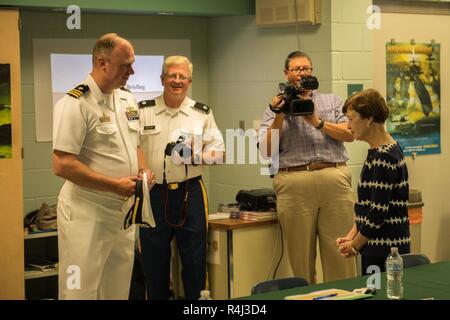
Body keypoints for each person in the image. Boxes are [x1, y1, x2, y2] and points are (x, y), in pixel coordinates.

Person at [52, 33, 155, 300]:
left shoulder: (127, 99)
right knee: (79, 291)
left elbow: (136, 145)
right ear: (102, 62)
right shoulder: (76, 103)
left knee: (117, 291)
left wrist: (142, 170)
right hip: (87, 211)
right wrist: (114, 185)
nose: (131, 71)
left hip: (122, 213)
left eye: (132, 64)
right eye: (125, 65)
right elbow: (62, 165)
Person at [258, 51, 357, 284]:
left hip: (333, 177)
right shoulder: (273, 109)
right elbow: (265, 150)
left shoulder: (332, 101)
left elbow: (350, 134)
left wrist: (316, 121)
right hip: (294, 181)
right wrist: (279, 115)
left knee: (341, 251)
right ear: (286, 74)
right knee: (300, 257)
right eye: (296, 69)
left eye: (306, 69)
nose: (302, 74)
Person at [138, 55, 224, 299]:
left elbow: (220, 153)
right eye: (172, 76)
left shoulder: (201, 113)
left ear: (190, 81)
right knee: (154, 264)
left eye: (182, 77)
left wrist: (195, 157)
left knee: (195, 263)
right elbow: (133, 147)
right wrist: (143, 167)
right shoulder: (144, 111)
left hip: (190, 193)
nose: (177, 81)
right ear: (163, 79)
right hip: (154, 194)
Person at [337, 88, 410, 274]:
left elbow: (377, 212)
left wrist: (355, 245)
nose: (348, 126)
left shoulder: (383, 157)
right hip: (377, 246)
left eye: (351, 119)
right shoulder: (383, 151)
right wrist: (351, 237)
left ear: (368, 119)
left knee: (376, 292)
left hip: (384, 250)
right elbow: (367, 207)